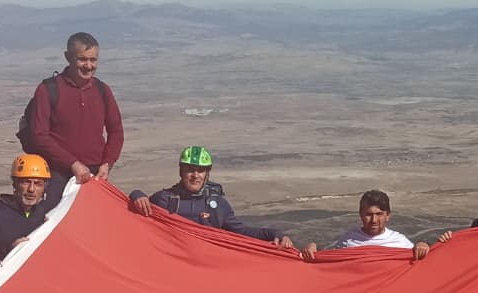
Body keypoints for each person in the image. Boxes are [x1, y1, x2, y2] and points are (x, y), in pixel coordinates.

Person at [21, 31, 124, 206]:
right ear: (68, 57)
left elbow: (116, 131)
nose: (88, 66)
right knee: (50, 218)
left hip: (94, 173)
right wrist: (73, 164)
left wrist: (107, 163)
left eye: (93, 60)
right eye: (82, 59)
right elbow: (39, 135)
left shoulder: (102, 90)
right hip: (56, 174)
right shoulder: (48, 89)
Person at [128, 146, 293, 248]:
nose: (195, 175)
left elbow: (243, 232)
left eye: (200, 171)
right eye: (190, 170)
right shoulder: (164, 199)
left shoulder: (218, 205)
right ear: (181, 172)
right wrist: (137, 195)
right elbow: (130, 216)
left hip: (206, 267)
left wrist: (274, 233)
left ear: (207, 174)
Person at [301, 190, 429, 260]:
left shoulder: (400, 242)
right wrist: (312, 249)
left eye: (379, 214)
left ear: (388, 216)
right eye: (368, 214)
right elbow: (327, 264)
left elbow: (423, 265)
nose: (374, 220)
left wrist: (424, 245)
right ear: (360, 215)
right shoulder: (349, 240)